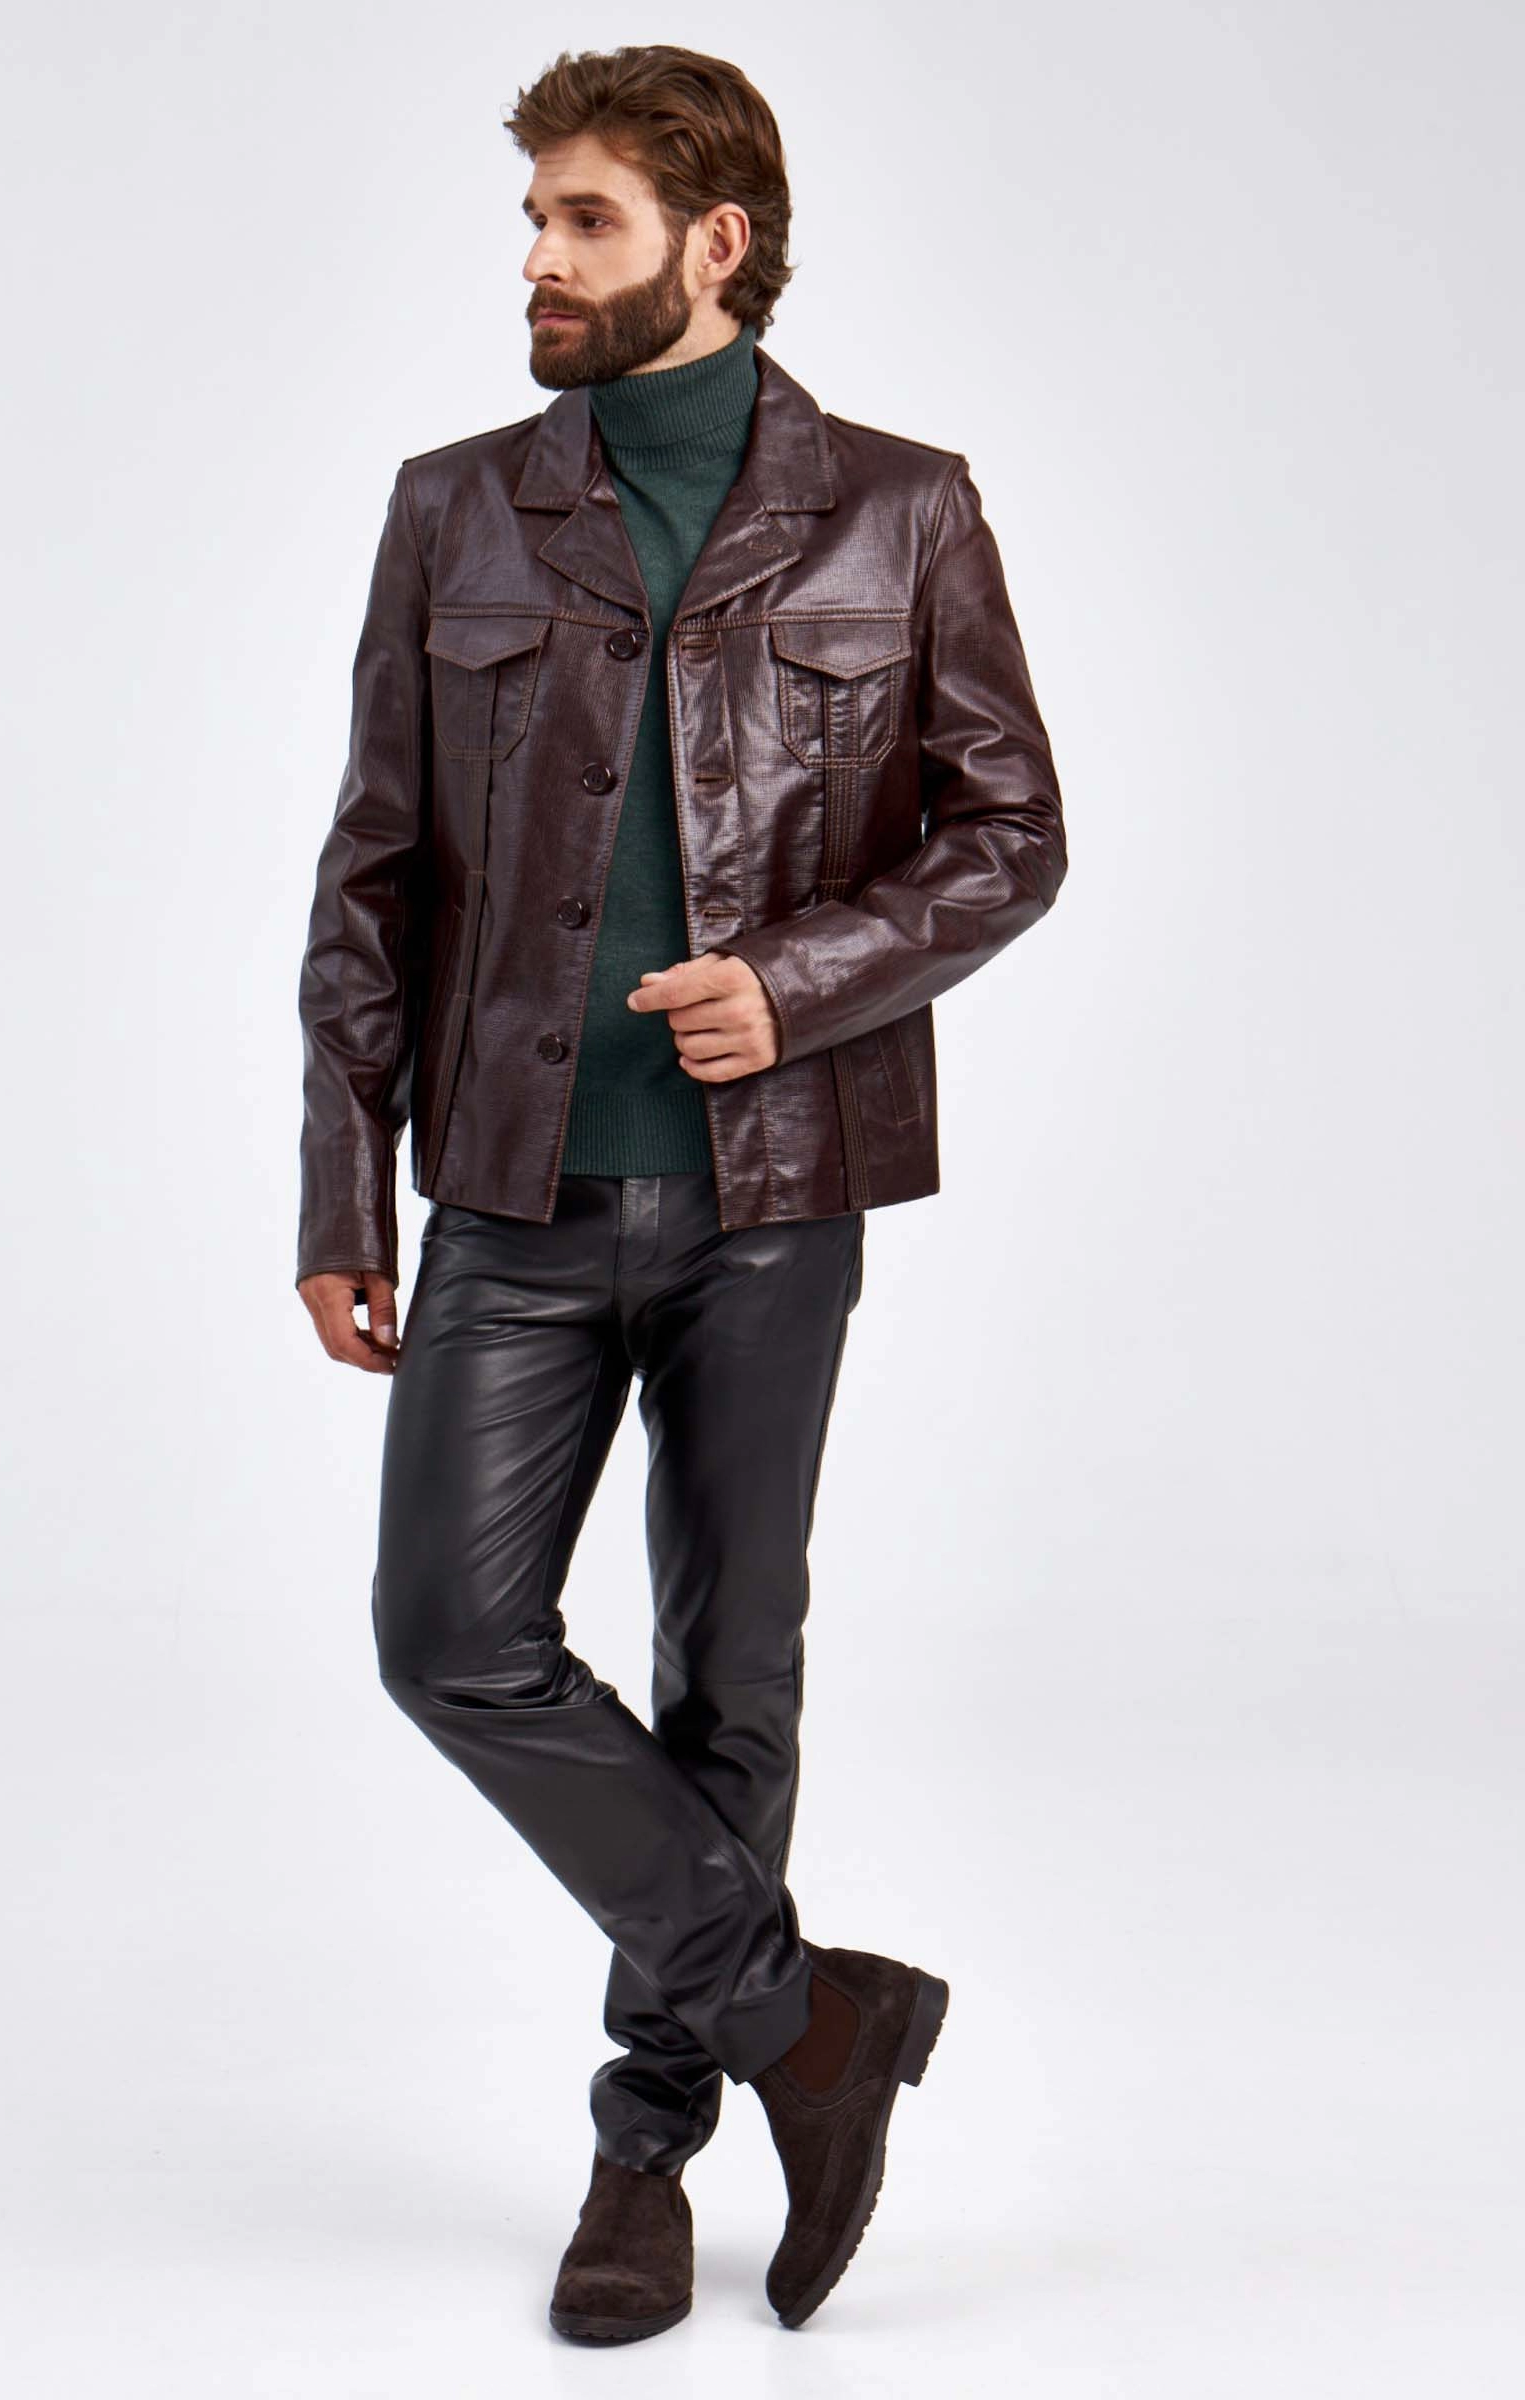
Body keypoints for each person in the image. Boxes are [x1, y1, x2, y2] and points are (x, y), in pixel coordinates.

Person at [295, 43, 1067, 2341]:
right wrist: (344, 1184)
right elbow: (373, 873)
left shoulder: (902, 512)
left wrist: (801, 983)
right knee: (452, 1640)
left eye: (584, 220)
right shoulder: (456, 510)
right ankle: (811, 2023)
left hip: (776, 1195)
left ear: (714, 244)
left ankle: (645, 2155)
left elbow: (1012, 832)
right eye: (533, 219)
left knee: (733, 1675)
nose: (536, 259)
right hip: (510, 1190)